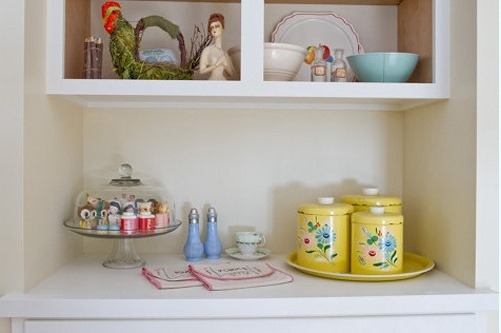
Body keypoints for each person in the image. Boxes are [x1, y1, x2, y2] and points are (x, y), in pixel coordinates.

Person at [199, 13, 234, 80]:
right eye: (212, 27)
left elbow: (230, 74)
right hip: (212, 82)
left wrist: (224, 64)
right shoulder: (207, 50)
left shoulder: (225, 53)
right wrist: (216, 65)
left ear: (222, 28)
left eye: (217, 26)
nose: (214, 29)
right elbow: (201, 71)